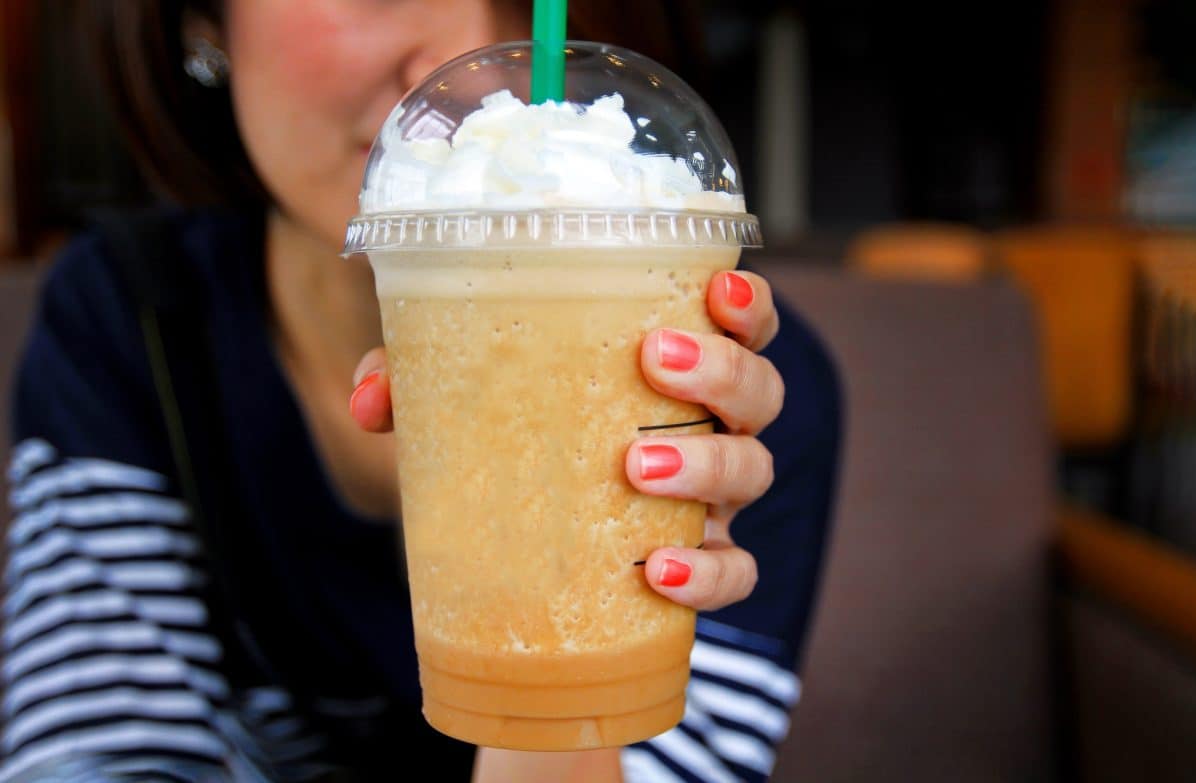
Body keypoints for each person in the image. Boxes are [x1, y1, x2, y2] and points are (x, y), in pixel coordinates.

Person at [0, 1, 842, 781]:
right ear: (203, 21)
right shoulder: (128, 322)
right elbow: (88, 756)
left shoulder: (721, 399)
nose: (470, 61)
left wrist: (574, 631)